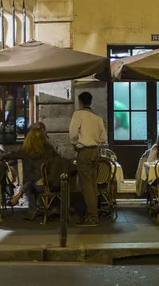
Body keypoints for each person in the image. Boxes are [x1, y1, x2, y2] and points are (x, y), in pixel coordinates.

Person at [69, 92, 107, 227]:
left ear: (80, 102)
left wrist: (76, 144)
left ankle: (92, 216)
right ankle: (89, 214)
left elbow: (72, 134)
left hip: (84, 151)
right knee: (93, 184)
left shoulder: (78, 114)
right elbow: (104, 139)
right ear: (90, 102)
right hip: (95, 152)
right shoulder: (97, 117)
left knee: (86, 186)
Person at [12, 125, 58, 220]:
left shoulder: (25, 150)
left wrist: (1, 157)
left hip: (39, 184)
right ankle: (50, 207)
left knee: (31, 182)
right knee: (33, 181)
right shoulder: (49, 149)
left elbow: (12, 155)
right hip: (48, 183)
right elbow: (58, 158)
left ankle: (31, 209)